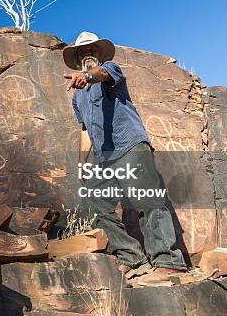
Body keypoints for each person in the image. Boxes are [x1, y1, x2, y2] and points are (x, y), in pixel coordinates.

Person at [63, 31, 187, 283]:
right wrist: (81, 166)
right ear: (77, 57)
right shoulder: (78, 97)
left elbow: (103, 74)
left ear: (100, 53)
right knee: (93, 204)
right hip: (104, 157)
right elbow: (85, 130)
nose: (88, 53)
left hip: (129, 145)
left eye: (92, 49)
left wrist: (87, 76)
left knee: (148, 202)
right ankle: (132, 257)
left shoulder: (109, 70)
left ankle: (168, 262)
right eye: (83, 51)